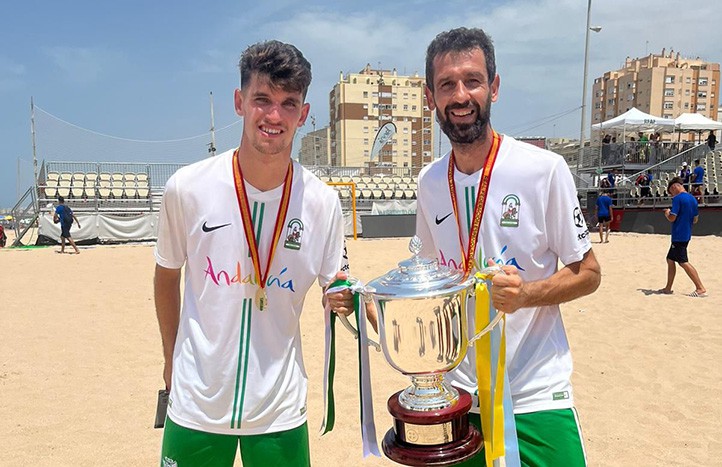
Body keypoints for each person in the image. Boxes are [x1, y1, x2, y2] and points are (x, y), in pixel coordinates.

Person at [154, 40, 358, 467]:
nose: (273, 116)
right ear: (239, 102)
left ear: (303, 114)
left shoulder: (322, 202)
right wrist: (171, 360)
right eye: (261, 99)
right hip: (197, 404)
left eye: (288, 103)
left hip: (278, 411)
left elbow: (336, 283)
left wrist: (350, 298)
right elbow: (166, 276)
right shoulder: (187, 188)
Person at [416, 27, 601, 466]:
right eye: (447, 85)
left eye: (472, 81)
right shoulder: (428, 183)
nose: (460, 95)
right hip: (459, 397)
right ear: (430, 97)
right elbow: (430, 278)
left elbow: (589, 272)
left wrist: (527, 296)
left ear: (494, 88)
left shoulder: (543, 170)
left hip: (537, 394)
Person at [659, 177, 706, 297]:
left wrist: (667, 213)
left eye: (671, 191)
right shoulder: (693, 199)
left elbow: (672, 218)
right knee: (670, 259)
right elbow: (695, 220)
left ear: (674, 187)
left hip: (679, 234)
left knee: (683, 262)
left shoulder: (678, 199)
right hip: (686, 233)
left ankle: (700, 287)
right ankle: (668, 288)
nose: (671, 194)